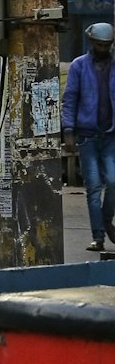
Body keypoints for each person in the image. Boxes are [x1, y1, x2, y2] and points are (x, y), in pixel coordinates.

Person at [62, 21, 115, 251]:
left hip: (111, 135)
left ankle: (104, 220)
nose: (103, 49)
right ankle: (99, 236)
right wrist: (69, 132)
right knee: (93, 187)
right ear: (91, 42)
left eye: (107, 45)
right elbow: (70, 99)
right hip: (87, 136)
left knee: (113, 181)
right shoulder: (79, 66)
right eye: (100, 44)